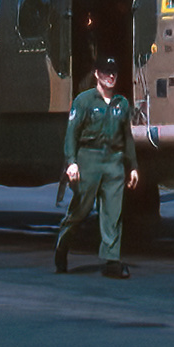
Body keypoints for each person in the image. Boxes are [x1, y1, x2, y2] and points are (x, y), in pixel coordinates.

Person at [54, 57, 140, 279]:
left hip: (114, 161)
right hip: (89, 158)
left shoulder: (122, 104)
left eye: (113, 72)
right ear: (96, 74)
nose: (110, 76)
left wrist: (133, 166)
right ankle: (63, 244)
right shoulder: (84, 101)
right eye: (105, 71)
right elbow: (71, 134)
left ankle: (112, 261)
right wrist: (71, 162)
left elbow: (128, 138)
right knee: (81, 209)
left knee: (113, 212)